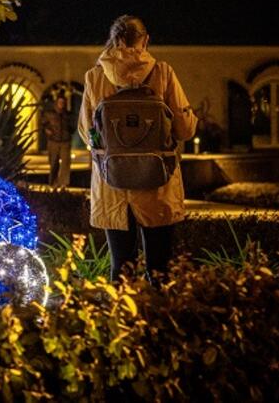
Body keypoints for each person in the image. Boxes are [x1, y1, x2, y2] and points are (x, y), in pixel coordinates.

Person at [78, 16, 197, 283]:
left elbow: (88, 132)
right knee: (160, 269)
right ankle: (155, 321)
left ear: (114, 41)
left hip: (112, 185)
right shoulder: (163, 73)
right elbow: (185, 130)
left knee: (121, 267)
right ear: (145, 41)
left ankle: (120, 322)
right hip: (158, 184)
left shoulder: (95, 77)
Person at [42, 95, 74, 188]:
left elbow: (73, 125)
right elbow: (43, 124)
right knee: (53, 162)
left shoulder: (68, 114)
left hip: (65, 141)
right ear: (56, 103)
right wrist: (47, 131)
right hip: (53, 141)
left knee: (65, 163)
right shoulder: (49, 114)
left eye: (63, 102)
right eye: (60, 102)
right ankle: (53, 182)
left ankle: (63, 183)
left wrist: (68, 132)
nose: (61, 104)